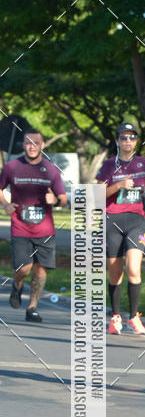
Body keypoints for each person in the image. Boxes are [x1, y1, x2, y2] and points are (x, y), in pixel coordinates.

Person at [0, 129, 66, 322]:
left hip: (45, 228)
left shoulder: (51, 169)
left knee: (40, 269)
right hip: (20, 226)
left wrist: (55, 200)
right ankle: (18, 284)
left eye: (35, 143)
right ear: (23, 145)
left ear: (42, 145)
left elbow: (63, 198)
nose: (31, 146)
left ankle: (32, 308)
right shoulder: (12, 167)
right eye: (28, 143)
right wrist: (5, 204)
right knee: (24, 268)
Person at [96, 122, 145, 334]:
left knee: (134, 268)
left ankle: (134, 317)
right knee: (115, 272)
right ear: (117, 141)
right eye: (124, 137)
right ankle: (115, 317)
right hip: (112, 220)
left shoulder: (144, 163)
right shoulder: (109, 165)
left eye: (132, 137)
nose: (128, 141)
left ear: (137, 140)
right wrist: (119, 186)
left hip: (136, 220)